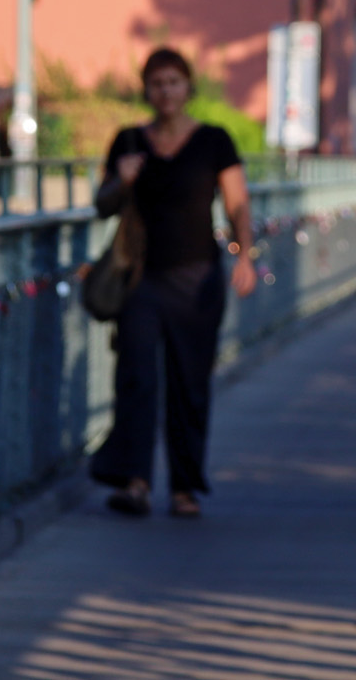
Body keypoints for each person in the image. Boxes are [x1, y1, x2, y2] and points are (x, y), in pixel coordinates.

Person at [89, 47, 257, 518]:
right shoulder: (127, 141)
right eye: (156, 83)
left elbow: (237, 202)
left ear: (188, 88)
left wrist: (245, 255)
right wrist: (120, 181)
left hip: (197, 278)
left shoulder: (213, 141)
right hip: (141, 279)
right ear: (146, 89)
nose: (165, 91)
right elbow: (101, 205)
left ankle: (184, 487)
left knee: (189, 383)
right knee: (137, 377)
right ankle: (136, 480)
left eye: (173, 82)